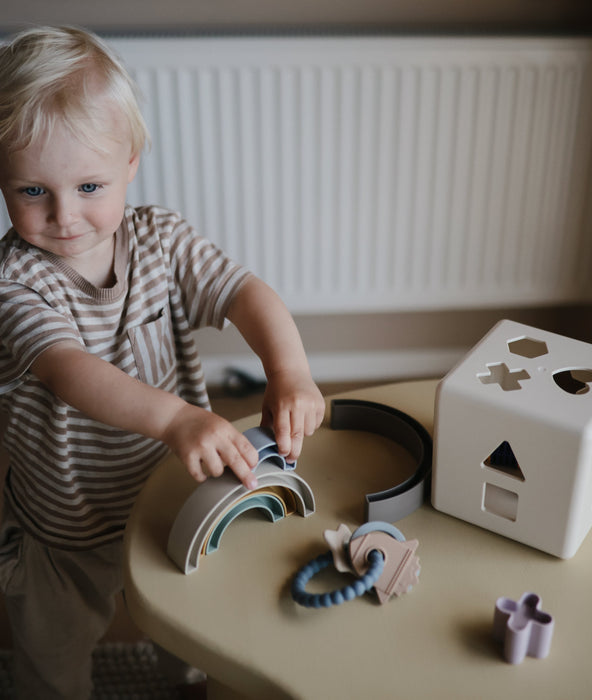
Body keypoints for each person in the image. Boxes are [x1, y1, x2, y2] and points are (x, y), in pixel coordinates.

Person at [0, 25, 325, 699]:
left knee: (191, 628)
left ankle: (186, 679)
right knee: (50, 657)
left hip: (174, 495)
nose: (65, 216)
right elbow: (68, 370)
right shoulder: (14, 281)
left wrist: (289, 370)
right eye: (32, 192)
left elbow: (244, 292)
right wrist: (178, 418)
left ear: (131, 162)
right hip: (66, 525)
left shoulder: (161, 238)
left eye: (89, 185)